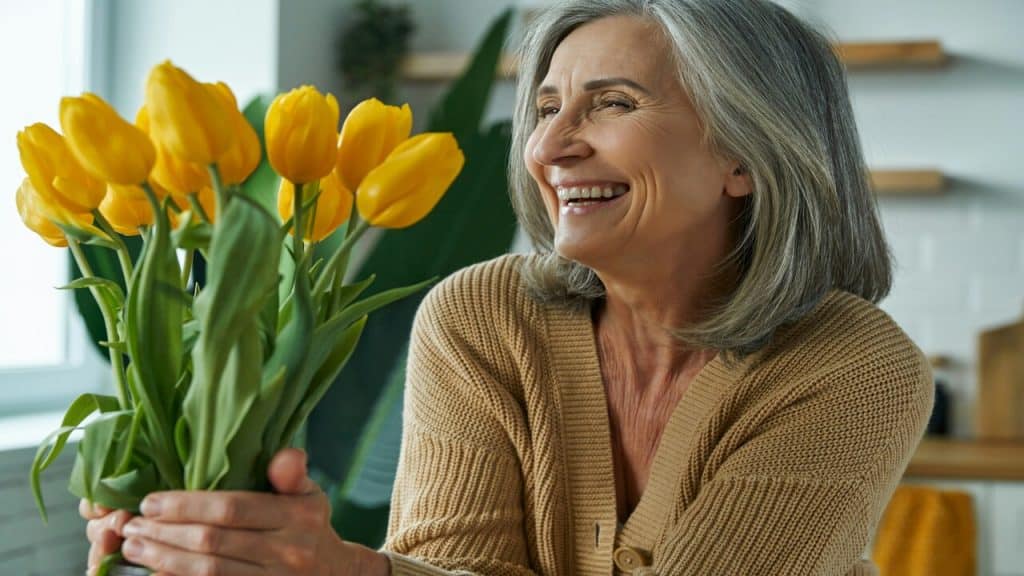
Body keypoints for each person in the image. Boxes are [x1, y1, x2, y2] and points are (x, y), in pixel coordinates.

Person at [83, 0, 934, 574]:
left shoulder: (852, 367)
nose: (549, 146)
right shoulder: (480, 317)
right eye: (547, 106)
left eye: (612, 104)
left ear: (746, 153)